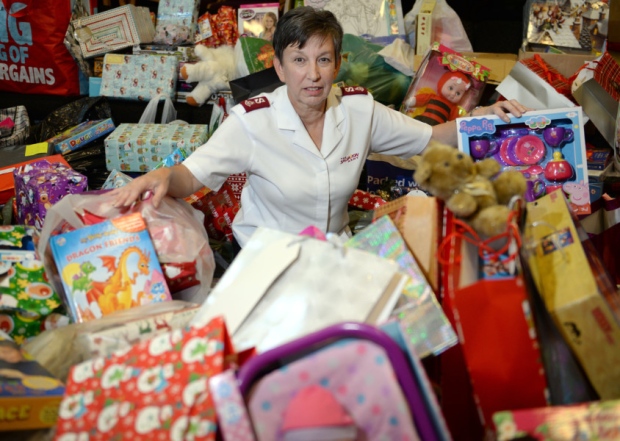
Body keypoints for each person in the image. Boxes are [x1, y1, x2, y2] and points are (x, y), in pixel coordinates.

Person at [111, 6, 529, 252]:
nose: (312, 75)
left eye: (323, 60)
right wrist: (161, 177)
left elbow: (432, 138)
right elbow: (189, 176)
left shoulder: (360, 110)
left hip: (333, 253)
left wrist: (487, 115)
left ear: (337, 64)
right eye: (298, 60)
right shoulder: (251, 122)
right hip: (269, 259)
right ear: (278, 67)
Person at [408, 71, 472, 126]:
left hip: (437, 127)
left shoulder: (453, 108)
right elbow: (421, 99)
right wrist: (413, 101)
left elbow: (454, 122)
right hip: (423, 119)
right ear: (442, 83)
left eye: (458, 93)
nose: (453, 94)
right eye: (450, 88)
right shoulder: (432, 96)